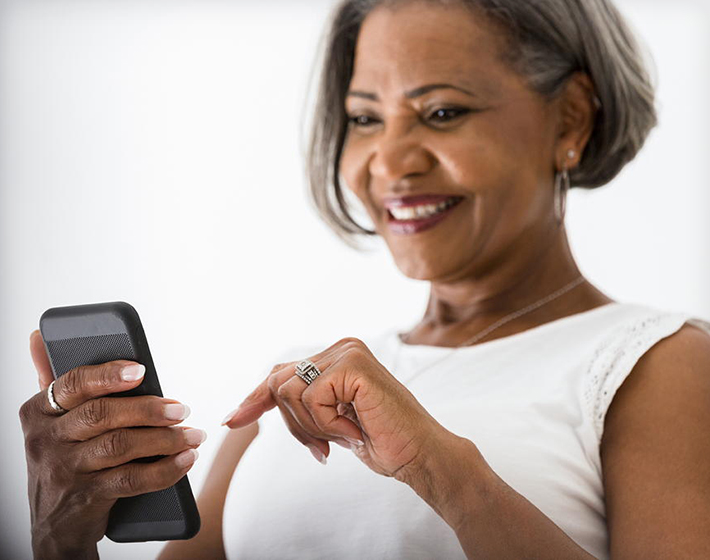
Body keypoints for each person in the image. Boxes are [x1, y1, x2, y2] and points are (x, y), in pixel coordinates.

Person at [20, 0, 710, 558]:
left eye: (442, 112)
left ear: (572, 117)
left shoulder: (658, 365)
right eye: (364, 119)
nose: (391, 161)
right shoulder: (303, 385)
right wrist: (60, 537)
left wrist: (440, 469)